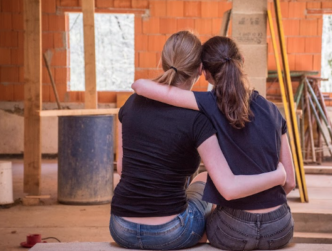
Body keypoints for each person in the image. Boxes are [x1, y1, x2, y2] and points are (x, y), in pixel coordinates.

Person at [111, 31, 287, 250]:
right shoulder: (201, 116)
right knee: (204, 179)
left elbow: (122, 168)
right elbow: (230, 186)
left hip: (120, 226)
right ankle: (200, 233)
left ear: (164, 61)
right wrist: (278, 175)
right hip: (172, 233)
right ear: (199, 70)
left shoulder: (129, 104)